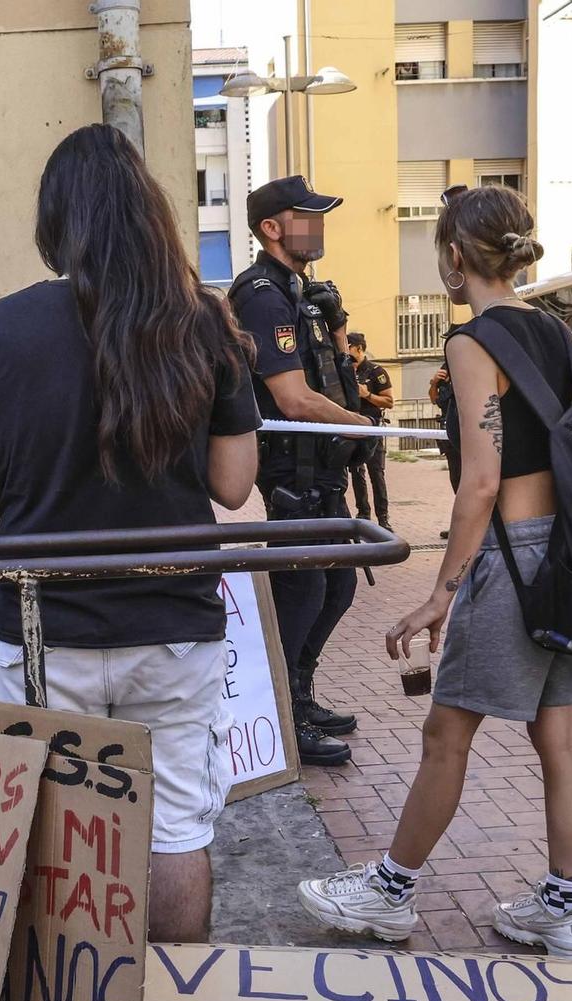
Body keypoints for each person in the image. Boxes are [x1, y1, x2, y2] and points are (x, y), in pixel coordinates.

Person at [295, 185, 572, 957]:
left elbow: (483, 481)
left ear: (456, 259)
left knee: (445, 732)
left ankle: (391, 890)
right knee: (557, 733)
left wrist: (441, 592)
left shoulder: (472, 342)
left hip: (517, 559)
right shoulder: (557, 335)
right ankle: (563, 905)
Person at [0, 125, 260, 943]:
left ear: (57, 221)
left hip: (49, 632)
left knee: (54, 828)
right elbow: (233, 485)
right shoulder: (205, 323)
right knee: (178, 824)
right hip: (174, 623)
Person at [228, 176, 372, 768]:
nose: (318, 225)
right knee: (304, 588)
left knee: (336, 585)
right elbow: (292, 398)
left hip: (322, 470)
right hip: (292, 471)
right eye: (305, 216)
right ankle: (284, 714)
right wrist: (364, 427)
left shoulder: (299, 290)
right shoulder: (262, 293)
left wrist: (337, 328)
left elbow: (329, 371)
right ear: (271, 228)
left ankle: (301, 696)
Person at [346, 332, 394, 529]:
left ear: (359, 348)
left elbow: (389, 401)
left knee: (376, 473)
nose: (345, 351)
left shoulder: (376, 371)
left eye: (348, 346)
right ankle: (363, 514)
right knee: (357, 471)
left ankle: (383, 519)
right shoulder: (344, 370)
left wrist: (367, 395)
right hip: (351, 425)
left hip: (372, 426)